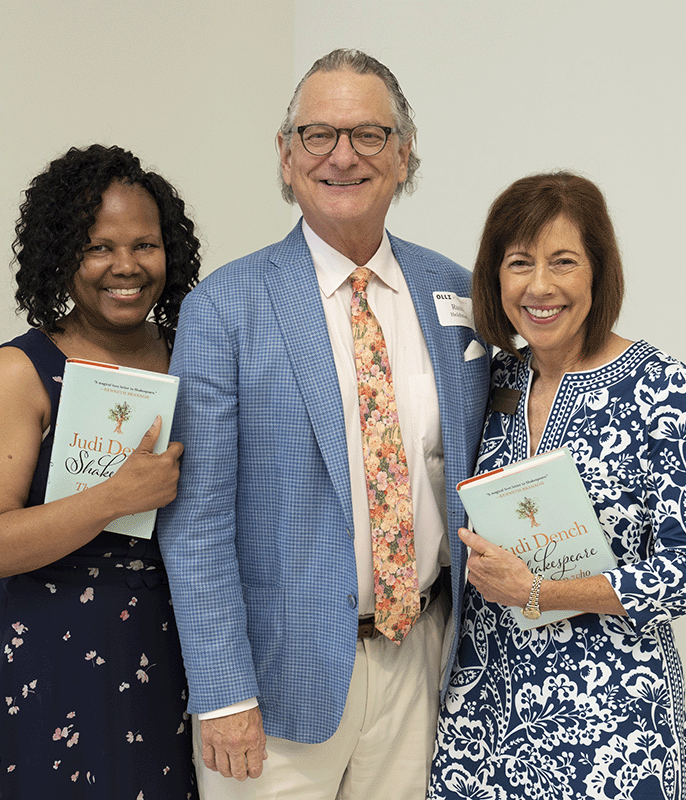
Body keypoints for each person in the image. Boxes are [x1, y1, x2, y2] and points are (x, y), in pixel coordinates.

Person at [158, 49, 490, 799]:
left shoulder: (460, 295)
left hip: (423, 661)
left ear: (404, 156)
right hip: (275, 686)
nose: (343, 155)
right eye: (317, 134)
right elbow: (197, 519)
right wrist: (223, 693)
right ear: (285, 156)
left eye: (369, 135)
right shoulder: (223, 309)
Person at [428, 172, 686, 800]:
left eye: (563, 262)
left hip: (612, 725)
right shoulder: (488, 380)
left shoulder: (659, 387)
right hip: (483, 722)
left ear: (598, 273)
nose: (540, 286)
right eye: (519, 263)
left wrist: (541, 590)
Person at [0, 144, 202, 799]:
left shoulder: (192, 356)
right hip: (51, 658)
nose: (125, 266)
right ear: (61, 255)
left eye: (145, 244)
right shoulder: (21, 370)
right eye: (99, 247)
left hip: (175, 652)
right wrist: (112, 497)